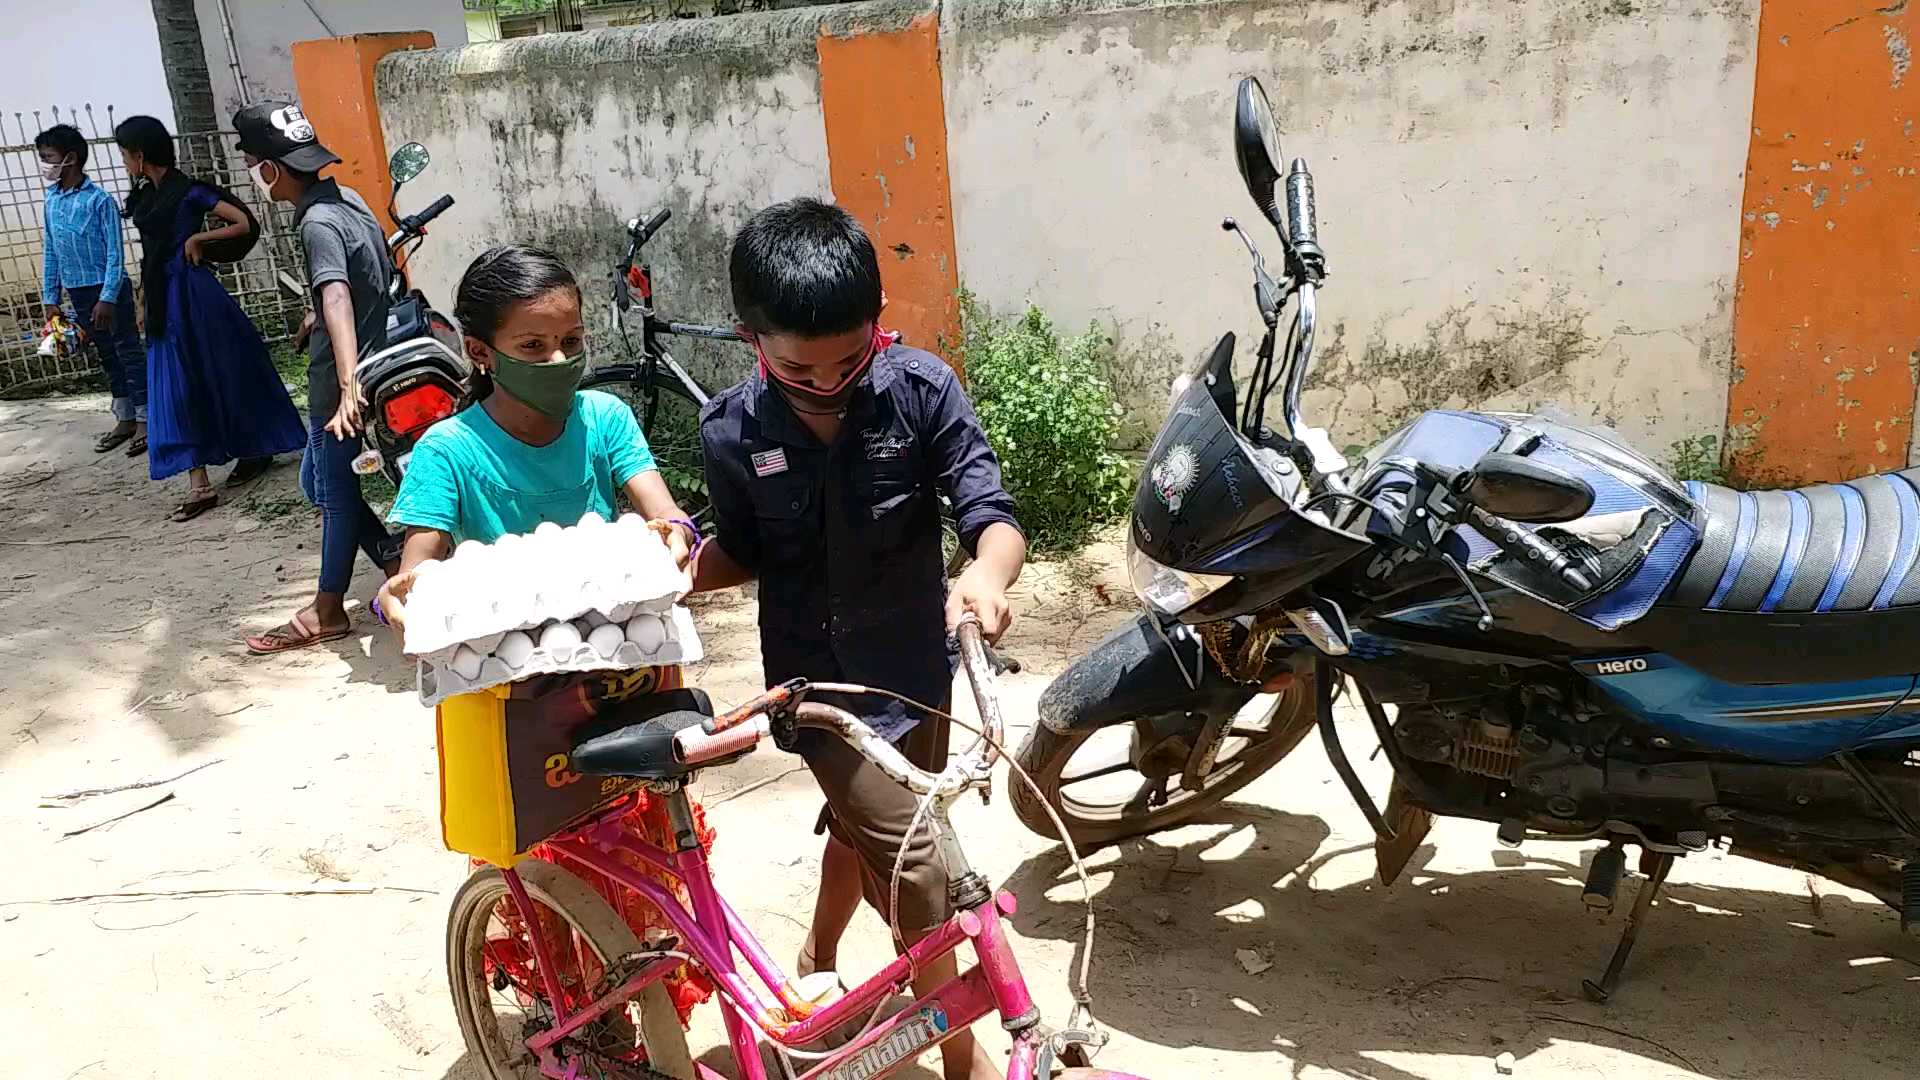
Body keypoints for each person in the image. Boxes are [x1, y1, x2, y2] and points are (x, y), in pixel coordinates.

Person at [692, 199, 1025, 1080]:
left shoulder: (922, 390)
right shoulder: (731, 429)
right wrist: (652, 577)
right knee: (920, 862)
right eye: (801, 367)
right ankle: (963, 1052)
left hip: (916, 672)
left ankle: (815, 960)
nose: (830, 381)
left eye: (851, 358)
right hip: (816, 693)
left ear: (878, 322)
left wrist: (985, 576)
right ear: (750, 336)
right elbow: (739, 551)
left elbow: (992, 516)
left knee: (860, 830)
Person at [372, 245, 710, 1026]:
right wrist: (405, 600)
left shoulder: (604, 420)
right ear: (480, 352)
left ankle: (638, 1008)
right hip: (516, 692)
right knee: (539, 863)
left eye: (572, 342)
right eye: (533, 347)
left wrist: (673, 534)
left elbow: (661, 512)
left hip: (616, 673)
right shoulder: (450, 454)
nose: (558, 361)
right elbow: (414, 569)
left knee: (635, 848)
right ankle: (569, 1014)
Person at [233, 100, 404, 654]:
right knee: (319, 483)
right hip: (377, 361)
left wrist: (349, 385)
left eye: (254, 163)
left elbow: (338, 295)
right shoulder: (348, 200)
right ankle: (393, 559)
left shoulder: (316, 222)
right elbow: (365, 275)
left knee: (332, 493)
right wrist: (317, 314)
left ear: (269, 170)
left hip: (340, 384)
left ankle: (327, 610)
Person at [115, 115, 303, 521]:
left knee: (223, 372)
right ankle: (200, 480)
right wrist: (144, 300)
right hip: (164, 295)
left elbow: (242, 223)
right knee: (177, 383)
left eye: (126, 154)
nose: (125, 162)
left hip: (194, 294)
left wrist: (200, 238)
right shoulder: (145, 196)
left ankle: (250, 453)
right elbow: (149, 255)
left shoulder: (189, 191)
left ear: (140, 154)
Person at [36, 123, 148, 456]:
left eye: (48, 157)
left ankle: (145, 419)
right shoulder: (51, 200)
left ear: (70, 158)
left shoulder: (99, 201)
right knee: (106, 354)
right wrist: (50, 297)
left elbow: (116, 253)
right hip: (78, 291)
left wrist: (108, 297)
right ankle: (124, 417)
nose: (43, 164)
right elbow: (51, 250)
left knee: (128, 352)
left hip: (107, 291)